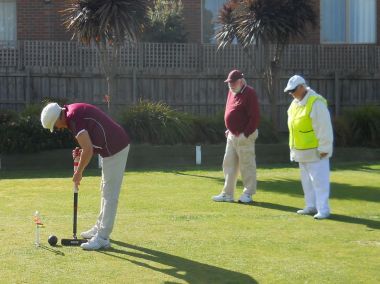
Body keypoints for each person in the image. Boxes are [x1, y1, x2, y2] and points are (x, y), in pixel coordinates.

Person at [40, 102, 130, 249]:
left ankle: (102, 238)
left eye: (55, 125)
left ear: (58, 118)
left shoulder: (73, 118)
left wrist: (79, 172)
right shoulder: (72, 113)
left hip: (116, 148)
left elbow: (87, 149)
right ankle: (99, 228)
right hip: (110, 147)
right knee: (105, 190)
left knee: (110, 194)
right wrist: (83, 151)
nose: (58, 128)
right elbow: (91, 141)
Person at [284, 75, 333, 219]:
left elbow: (324, 128)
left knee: (319, 181)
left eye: (293, 90)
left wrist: (324, 148)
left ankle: (323, 209)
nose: (291, 93)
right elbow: (293, 127)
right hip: (301, 151)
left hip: (316, 151)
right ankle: (310, 206)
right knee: (307, 182)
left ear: (302, 87)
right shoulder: (294, 103)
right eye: (289, 91)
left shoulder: (316, 102)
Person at [212, 69, 260, 203]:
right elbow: (230, 111)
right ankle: (227, 194)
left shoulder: (249, 93)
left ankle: (248, 194)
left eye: (233, 82)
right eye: (229, 83)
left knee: (247, 165)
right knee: (228, 164)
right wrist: (229, 129)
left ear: (241, 81)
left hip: (245, 136)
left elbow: (255, 117)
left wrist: (246, 134)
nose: (231, 85)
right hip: (232, 135)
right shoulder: (232, 92)